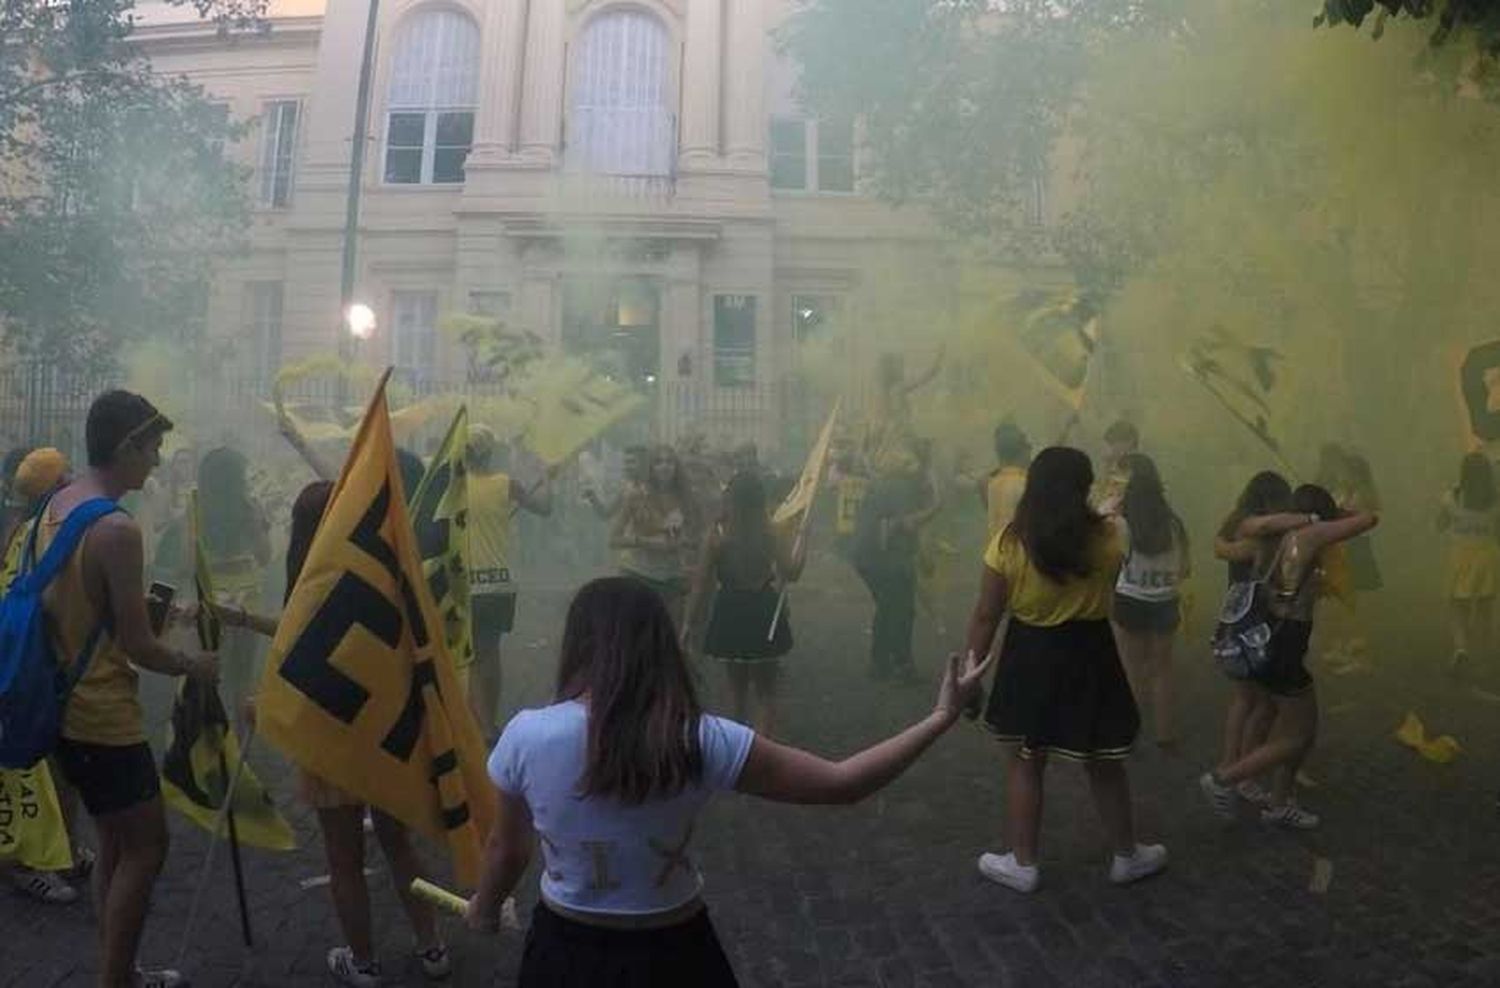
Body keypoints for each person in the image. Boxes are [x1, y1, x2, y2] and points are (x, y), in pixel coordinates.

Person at [463, 577, 992, 986]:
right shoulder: (702, 738)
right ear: (660, 645)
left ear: (576, 645)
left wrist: (485, 909)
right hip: (675, 950)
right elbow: (842, 783)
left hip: (567, 949)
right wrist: (939, 717)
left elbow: (508, 848)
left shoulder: (527, 735)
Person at [222, 479, 450, 987]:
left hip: (332, 743)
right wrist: (240, 616)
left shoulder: (311, 583)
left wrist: (268, 705)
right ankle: (432, 947)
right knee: (400, 845)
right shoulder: (380, 577)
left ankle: (363, 963)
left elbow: (298, 646)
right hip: (385, 735)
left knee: (343, 859)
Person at [41, 390, 218, 988]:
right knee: (147, 846)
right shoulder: (118, 529)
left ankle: (119, 968)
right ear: (126, 447)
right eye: (153, 447)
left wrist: (158, 611)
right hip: (102, 713)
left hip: (61, 704)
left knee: (115, 841)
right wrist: (194, 667)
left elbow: (83, 602)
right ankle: (116, 980)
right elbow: (139, 648)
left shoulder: (62, 503)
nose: (159, 461)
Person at [962, 446, 1166, 894]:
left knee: (1025, 759)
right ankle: (1126, 855)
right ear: (1083, 488)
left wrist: (970, 674)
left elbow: (985, 615)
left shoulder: (1009, 542)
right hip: (1090, 650)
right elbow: (1110, 572)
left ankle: (1023, 862)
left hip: (1029, 653)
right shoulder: (1112, 537)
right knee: (1104, 760)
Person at [1201, 485, 1378, 830]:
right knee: (1297, 735)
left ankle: (1280, 802)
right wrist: (1345, 512)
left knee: (1301, 730)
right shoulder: (1309, 536)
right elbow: (1369, 519)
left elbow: (1243, 532)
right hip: (1285, 647)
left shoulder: (1275, 537)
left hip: (1272, 640)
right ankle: (1224, 779)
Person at [0, 447, 94, 905]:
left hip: (42, 669)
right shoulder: (30, 534)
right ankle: (25, 865)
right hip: (22, 670)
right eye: (67, 478)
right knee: (26, 774)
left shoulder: (40, 529)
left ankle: (65, 852)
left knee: (59, 769)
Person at [682, 472, 806, 735]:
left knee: (736, 690)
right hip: (763, 608)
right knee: (765, 691)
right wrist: (803, 538)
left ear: (731, 499)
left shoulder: (717, 535)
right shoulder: (770, 532)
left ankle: (738, 749)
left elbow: (701, 584)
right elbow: (792, 572)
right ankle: (764, 747)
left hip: (731, 609)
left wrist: (688, 622)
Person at [1211, 471, 1295, 808]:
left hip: (1233, 614)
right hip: (1260, 620)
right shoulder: (1268, 533)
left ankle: (1229, 764)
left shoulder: (1236, 523)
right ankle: (1243, 775)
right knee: (1264, 703)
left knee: (1243, 699)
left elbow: (1220, 546)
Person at [465, 425, 552, 744]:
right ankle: (490, 720)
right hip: (499, 585)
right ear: (490, 453)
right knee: (490, 653)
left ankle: (482, 726)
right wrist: (547, 478)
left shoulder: (452, 487)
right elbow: (544, 507)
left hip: (465, 584)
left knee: (472, 656)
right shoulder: (505, 485)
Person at [1109, 454, 1189, 750]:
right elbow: (1185, 568)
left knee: (1131, 668)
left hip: (1129, 599)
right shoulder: (1174, 524)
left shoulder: (1121, 523)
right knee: (1162, 668)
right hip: (1165, 602)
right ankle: (1165, 733)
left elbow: (1109, 559)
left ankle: (1128, 733)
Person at [196, 447, 271, 723]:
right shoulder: (251, 507)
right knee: (242, 676)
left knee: (207, 670)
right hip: (245, 601)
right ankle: (239, 737)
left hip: (210, 598)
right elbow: (265, 556)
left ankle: (207, 737)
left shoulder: (197, 507)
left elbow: (185, 559)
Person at [853, 450, 939, 684]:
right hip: (886, 559)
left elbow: (900, 526)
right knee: (901, 611)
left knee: (887, 607)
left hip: (868, 557)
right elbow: (908, 524)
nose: (921, 470)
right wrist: (935, 507)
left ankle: (879, 664)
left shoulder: (887, 484)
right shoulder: (902, 486)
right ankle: (902, 666)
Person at [611, 444, 701, 618]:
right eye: (659, 462)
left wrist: (681, 542)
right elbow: (613, 539)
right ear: (651, 468)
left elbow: (696, 540)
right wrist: (645, 542)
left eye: (669, 461)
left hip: (672, 577)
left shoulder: (686, 498)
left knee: (671, 635)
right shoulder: (636, 496)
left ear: (676, 467)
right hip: (639, 573)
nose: (665, 466)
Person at [1437, 452, 1500, 672]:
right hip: (1487, 555)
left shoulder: (1452, 496)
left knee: (1458, 605)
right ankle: (1488, 653)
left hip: (1461, 555)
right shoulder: (1495, 498)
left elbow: (1440, 524)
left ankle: (1461, 648)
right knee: (1485, 606)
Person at [982, 421, 1031, 541]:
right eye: (1028, 449)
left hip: (995, 554)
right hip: (1019, 554)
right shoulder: (1025, 484)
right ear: (1021, 453)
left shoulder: (991, 483)